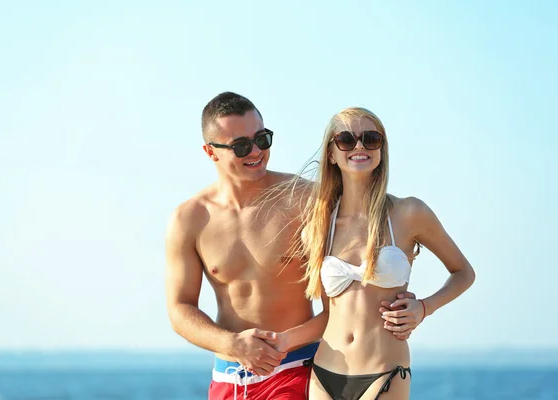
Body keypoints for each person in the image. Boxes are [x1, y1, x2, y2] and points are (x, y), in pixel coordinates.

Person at [165, 93, 414, 400]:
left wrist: (410, 303)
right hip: (229, 378)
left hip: (298, 367)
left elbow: (349, 290)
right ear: (210, 152)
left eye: (263, 138)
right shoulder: (189, 219)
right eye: (242, 146)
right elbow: (179, 309)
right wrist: (232, 345)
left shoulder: (306, 201)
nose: (256, 151)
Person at [297, 107, 476, 400]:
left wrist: (424, 308)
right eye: (346, 139)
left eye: (370, 138)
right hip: (325, 371)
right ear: (331, 153)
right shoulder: (319, 226)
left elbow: (464, 273)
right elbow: (329, 311)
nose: (359, 147)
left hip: (384, 371)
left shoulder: (408, 213)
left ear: (381, 149)